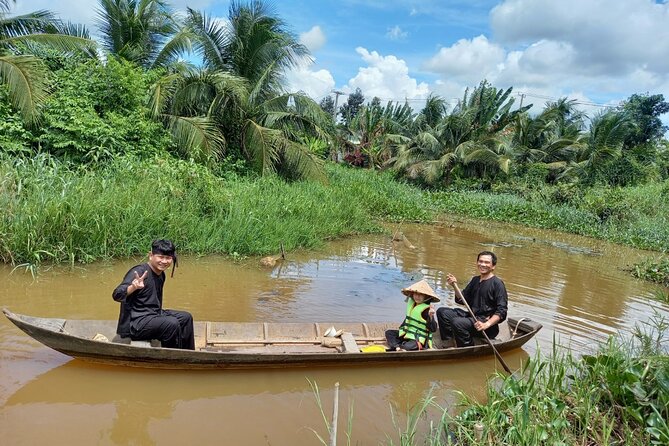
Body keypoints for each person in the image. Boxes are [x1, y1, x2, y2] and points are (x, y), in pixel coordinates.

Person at [112, 239, 195, 350]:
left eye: (168, 258)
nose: (164, 261)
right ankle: (171, 358)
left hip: (152, 315)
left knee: (186, 317)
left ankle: (187, 353)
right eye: (160, 257)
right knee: (171, 324)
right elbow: (116, 294)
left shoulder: (161, 274)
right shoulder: (140, 272)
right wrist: (133, 287)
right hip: (135, 323)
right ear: (151, 255)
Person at [436, 251, 508, 348]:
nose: (483, 264)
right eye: (480, 261)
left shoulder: (497, 284)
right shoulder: (475, 280)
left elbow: (502, 311)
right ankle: (449, 342)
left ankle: (467, 348)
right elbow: (462, 299)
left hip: (486, 326)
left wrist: (486, 324)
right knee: (442, 312)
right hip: (472, 317)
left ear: (493, 266)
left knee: (457, 322)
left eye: (486, 262)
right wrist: (454, 286)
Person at [385, 279, 439, 351]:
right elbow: (408, 320)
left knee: (407, 347)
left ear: (426, 297)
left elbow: (433, 329)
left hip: (418, 338)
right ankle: (398, 347)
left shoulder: (427, 310)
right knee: (389, 333)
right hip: (407, 334)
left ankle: (399, 347)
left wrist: (431, 316)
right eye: (416, 294)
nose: (417, 296)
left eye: (420, 294)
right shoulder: (412, 304)